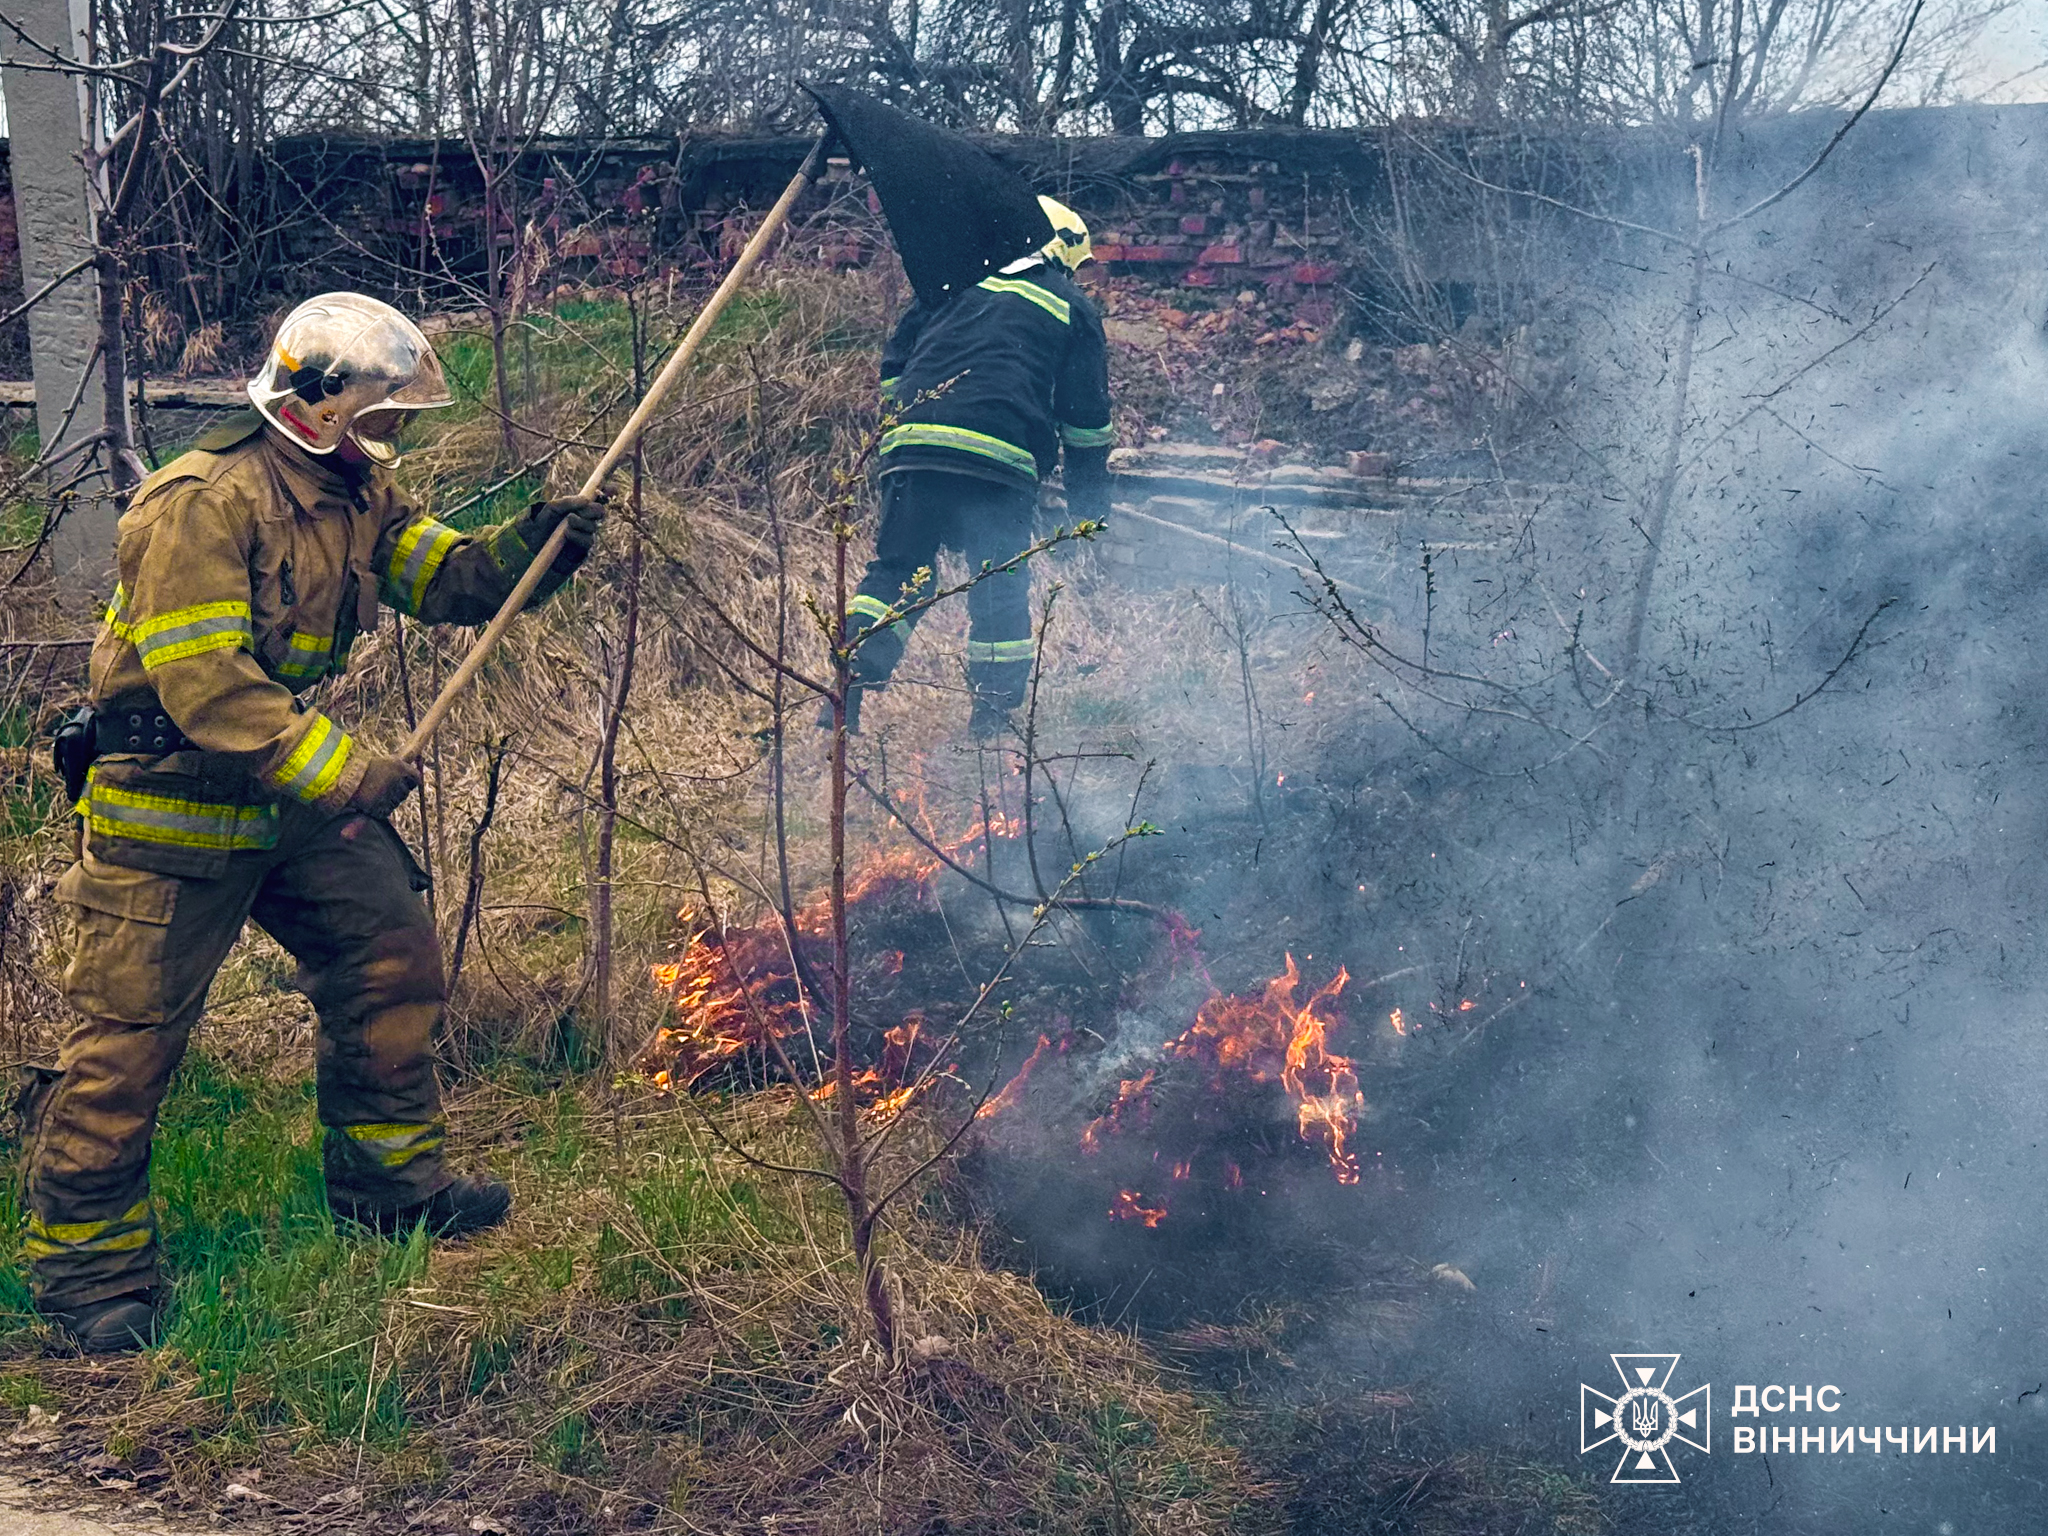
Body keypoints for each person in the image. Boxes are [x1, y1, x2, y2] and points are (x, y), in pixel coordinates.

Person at [28, 292, 604, 1353]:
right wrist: (345, 777)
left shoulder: (357, 491)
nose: (394, 433)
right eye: (383, 412)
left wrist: (536, 546)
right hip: (172, 807)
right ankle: (86, 1273)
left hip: (282, 801)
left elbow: (448, 577)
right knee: (128, 1041)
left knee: (388, 956)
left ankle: (391, 1190)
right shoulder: (200, 500)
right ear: (320, 398)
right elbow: (208, 684)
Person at [839, 195, 1114, 738]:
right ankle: (990, 720)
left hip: (914, 450)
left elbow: (895, 371)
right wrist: (1089, 507)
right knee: (998, 585)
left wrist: (916, 433)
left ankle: (842, 693)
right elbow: (1086, 424)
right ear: (1064, 254)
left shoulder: (953, 281)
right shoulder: (1070, 306)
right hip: (999, 466)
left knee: (897, 573)